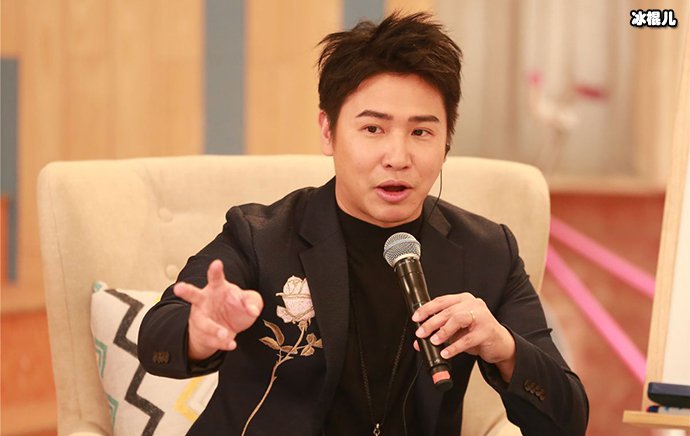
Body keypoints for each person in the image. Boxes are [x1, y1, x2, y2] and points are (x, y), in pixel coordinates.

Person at [138, 12, 588, 435]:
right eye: (373, 129)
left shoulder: (487, 251)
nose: (398, 157)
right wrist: (198, 332)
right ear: (328, 131)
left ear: (446, 141)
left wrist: (504, 348)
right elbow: (156, 338)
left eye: (421, 132)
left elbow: (569, 417)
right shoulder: (260, 236)